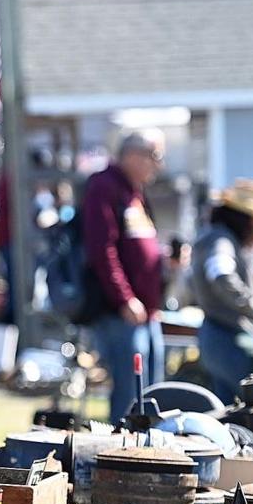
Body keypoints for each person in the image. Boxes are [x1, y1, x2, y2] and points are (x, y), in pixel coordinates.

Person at [82, 128, 167, 422]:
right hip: (121, 313)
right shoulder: (104, 188)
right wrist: (124, 298)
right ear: (131, 155)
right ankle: (120, 456)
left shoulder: (135, 194)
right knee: (130, 397)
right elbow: (102, 250)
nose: (159, 164)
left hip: (147, 311)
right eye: (154, 156)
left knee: (152, 396)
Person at [191, 179, 253, 402]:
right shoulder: (220, 241)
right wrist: (250, 302)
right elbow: (220, 274)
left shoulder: (218, 238)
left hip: (222, 340)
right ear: (248, 219)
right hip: (230, 342)